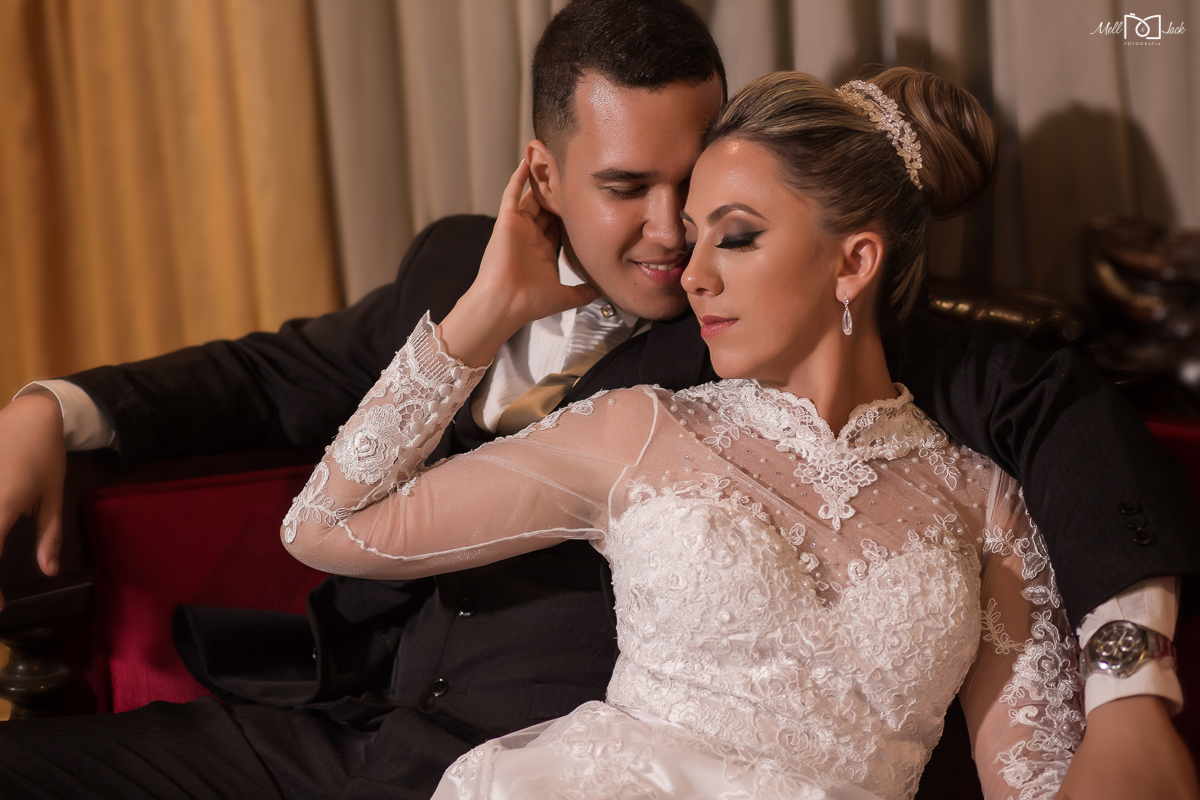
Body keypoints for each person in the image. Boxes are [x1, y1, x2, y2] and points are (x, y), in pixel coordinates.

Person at [0, 1, 1194, 798]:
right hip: (333, 723)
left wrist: (1133, 679)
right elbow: (278, 374)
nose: (677, 239)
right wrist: (54, 407)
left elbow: (1052, 400)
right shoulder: (453, 266)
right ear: (544, 172)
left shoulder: (770, 328)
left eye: (704, 192)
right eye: (630, 187)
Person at [275, 66, 1108, 799]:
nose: (695, 274)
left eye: (735, 237)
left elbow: (1036, 782)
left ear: (854, 262)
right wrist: (485, 311)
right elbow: (325, 525)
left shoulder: (981, 504)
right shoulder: (641, 430)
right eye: (696, 235)